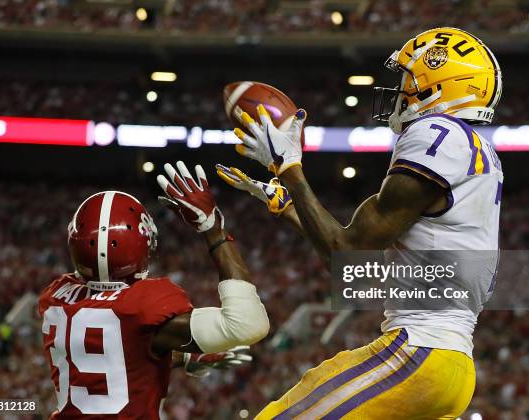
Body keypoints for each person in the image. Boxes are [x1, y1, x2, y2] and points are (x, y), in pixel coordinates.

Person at [219, 27, 503, 419]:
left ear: (437, 86)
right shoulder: (474, 151)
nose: (400, 90)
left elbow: (346, 253)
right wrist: (287, 206)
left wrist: (289, 167)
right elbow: (357, 267)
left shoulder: (436, 135)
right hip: (451, 368)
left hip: (418, 353)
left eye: (408, 80)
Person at [38, 161, 269, 418]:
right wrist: (213, 230)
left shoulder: (56, 296)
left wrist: (182, 357)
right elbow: (248, 323)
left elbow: (113, 353)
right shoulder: (142, 303)